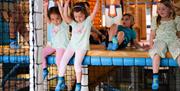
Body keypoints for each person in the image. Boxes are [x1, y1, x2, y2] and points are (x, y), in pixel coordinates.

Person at [56, 0, 99, 90]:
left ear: (85, 14)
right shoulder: (73, 23)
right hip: (72, 45)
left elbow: (95, 11)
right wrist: (66, 3)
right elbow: (65, 16)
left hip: (82, 47)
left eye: (80, 16)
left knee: (77, 64)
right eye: (76, 16)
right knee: (63, 61)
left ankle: (78, 84)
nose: (78, 18)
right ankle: (60, 80)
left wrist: (98, 1)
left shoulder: (87, 22)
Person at [149, 0, 180, 90]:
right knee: (156, 53)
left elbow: (179, 33)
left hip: (173, 40)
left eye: (163, 9)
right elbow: (152, 33)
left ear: (170, 9)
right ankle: (155, 77)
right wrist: (151, 44)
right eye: (159, 9)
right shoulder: (156, 19)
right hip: (160, 40)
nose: (160, 11)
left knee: (178, 51)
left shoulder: (176, 18)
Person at [41, 1, 70, 80]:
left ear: (61, 16)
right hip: (54, 46)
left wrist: (62, 5)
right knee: (41, 53)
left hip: (62, 46)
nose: (55, 21)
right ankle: (44, 70)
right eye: (53, 19)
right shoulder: (52, 24)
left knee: (58, 60)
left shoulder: (64, 23)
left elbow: (64, 14)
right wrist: (45, 6)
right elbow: (46, 17)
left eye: (57, 18)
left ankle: (61, 79)